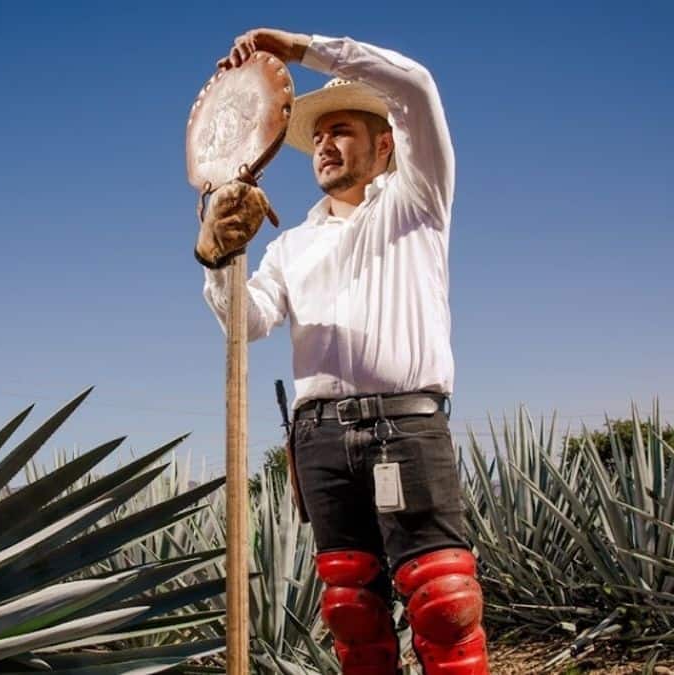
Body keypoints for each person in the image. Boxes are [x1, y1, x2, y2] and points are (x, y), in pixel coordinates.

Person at [196, 29, 489, 675]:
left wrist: (297, 48)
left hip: (405, 427)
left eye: (343, 130)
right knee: (352, 613)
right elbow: (246, 323)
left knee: (444, 602)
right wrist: (220, 258)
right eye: (318, 136)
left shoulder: (419, 199)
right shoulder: (290, 244)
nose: (325, 144)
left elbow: (414, 84)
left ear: (384, 143)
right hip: (320, 441)